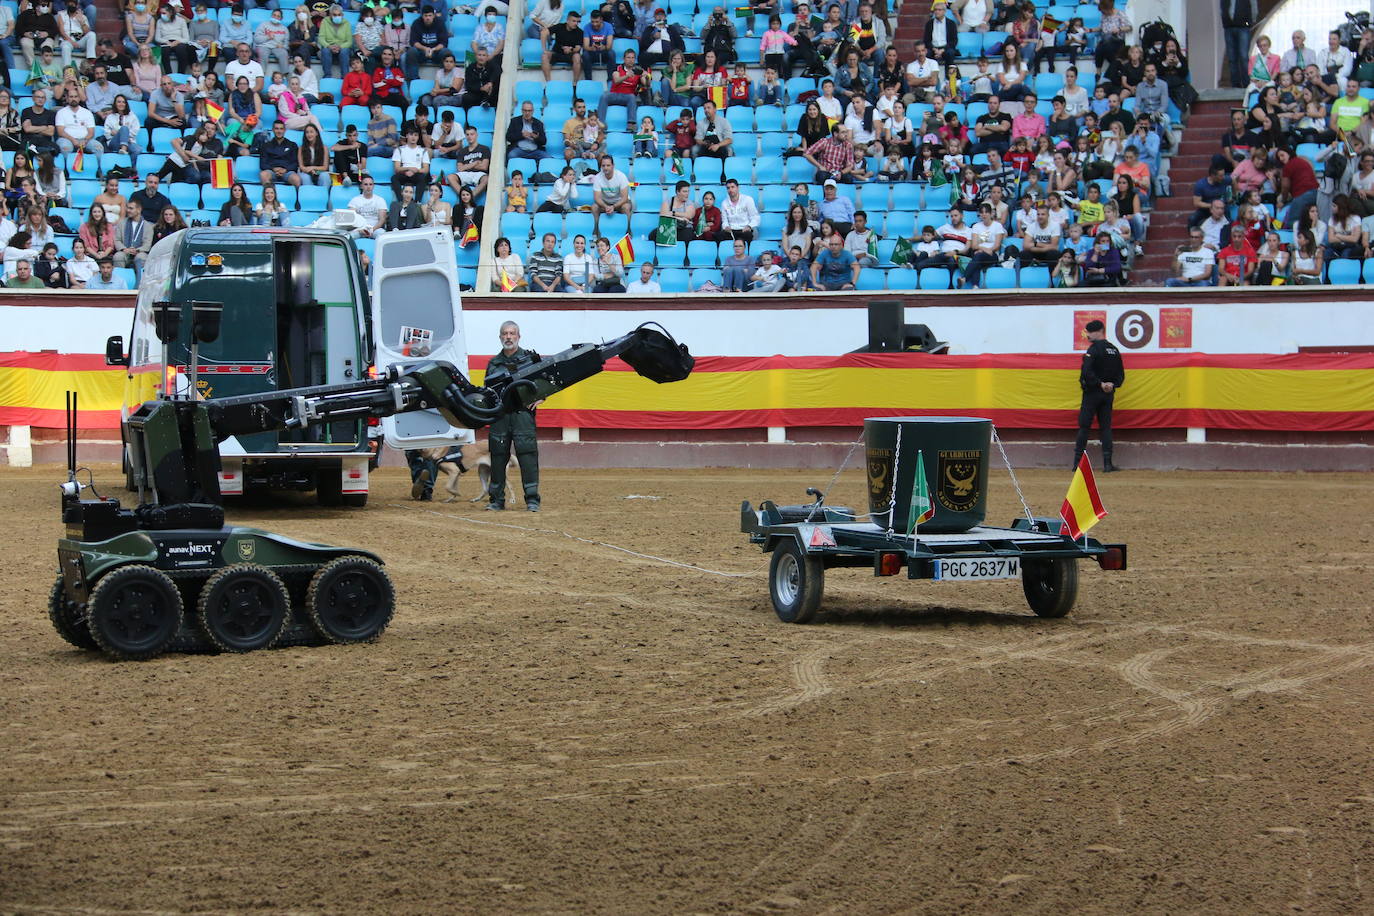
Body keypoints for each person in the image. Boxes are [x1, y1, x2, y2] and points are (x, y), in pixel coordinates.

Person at [484, 321, 541, 511]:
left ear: (519, 336)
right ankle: (496, 500)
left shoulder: (530, 359)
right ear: (500, 337)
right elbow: (487, 392)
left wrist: (541, 398)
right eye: (505, 333)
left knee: (527, 457)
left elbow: (545, 383)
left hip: (522, 415)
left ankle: (532, 500)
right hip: (500, 416)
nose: (508, 337)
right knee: (498, 458)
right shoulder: (493, 363)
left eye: (512, 333)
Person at [1074, 319, 1124, 472]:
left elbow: (1087, 372)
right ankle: (1107, 464)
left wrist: (1099, 384)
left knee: (1084, 427)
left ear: (1099, 332)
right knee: (1106, 428)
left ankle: (1077, 464)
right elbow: (1120, 375)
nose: (1087, 335)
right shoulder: (1114, 350)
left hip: (1092, 393)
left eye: (1089, 332)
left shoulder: (1093, 350)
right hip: (1108, 394)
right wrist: (1111, 385)